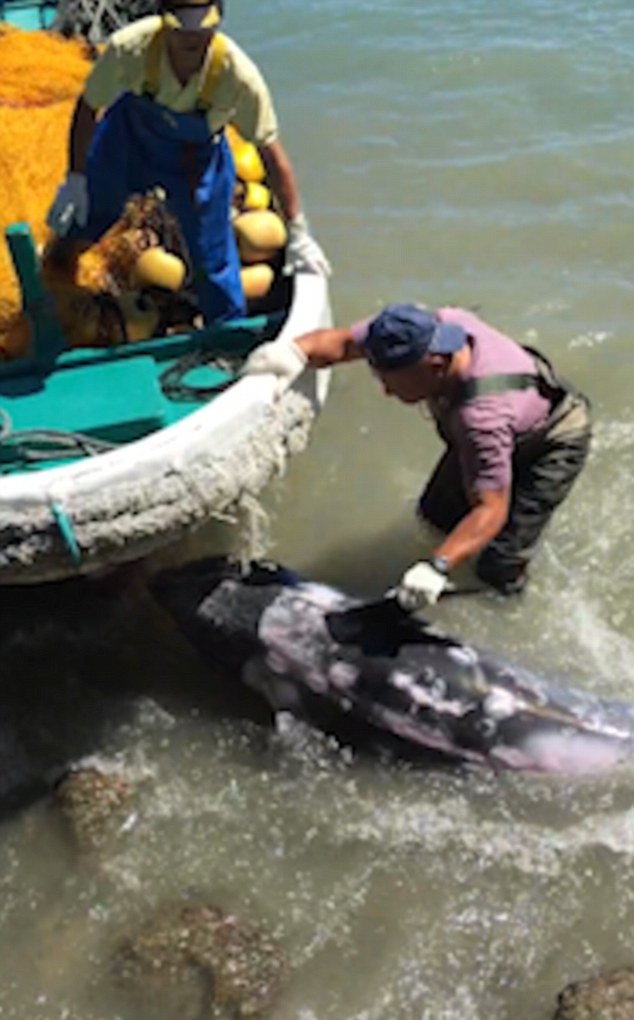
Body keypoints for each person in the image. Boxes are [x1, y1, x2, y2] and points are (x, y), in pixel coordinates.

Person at [243, 303, 592, 609]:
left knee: (497, 562)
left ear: (436, 365)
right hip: (509, 420)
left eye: (393, 380)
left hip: (552, 441)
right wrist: (293, 352)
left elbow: (490, 509)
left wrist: (438, 567)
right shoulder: (419, 330)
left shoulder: (480, 420)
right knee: (435, 516)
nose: (385, 390)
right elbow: (344, 343)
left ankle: (505, 606)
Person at [46, 0, 330, 324]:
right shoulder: (130, 47)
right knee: (91, 210)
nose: (192, 38)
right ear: (163, 21)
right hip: (127, 142)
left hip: (195, 163)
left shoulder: (238, 75)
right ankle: (56, 267)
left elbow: (270, 152)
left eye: (203, 28)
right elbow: (88, 106)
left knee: (213, 258)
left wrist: (297, 230)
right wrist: (76, 178)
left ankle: (225, 332)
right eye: (181, 28)